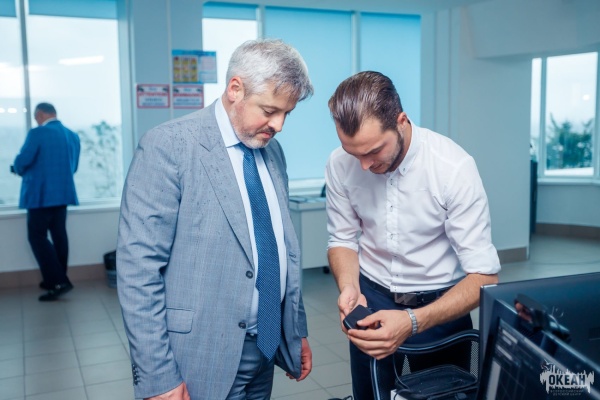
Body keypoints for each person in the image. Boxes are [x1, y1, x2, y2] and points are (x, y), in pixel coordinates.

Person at [117, 39, 314, 400]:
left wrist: (294, 330)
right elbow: (138, 270)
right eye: (270, 110)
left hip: (266, 348)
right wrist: (157, 376)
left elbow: (280, 248)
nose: (279, 125)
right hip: (200, 357)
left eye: (287, 113)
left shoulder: (273, 152)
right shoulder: (169, 146)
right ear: (235, 89)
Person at [325, 71, 501, 400]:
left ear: (401, 121)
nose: (363, 165)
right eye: (354, 153)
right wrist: (349, 287)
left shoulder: (453, 168)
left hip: (440, 309)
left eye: (373, 151)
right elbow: (342, 240)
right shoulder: (339, 164)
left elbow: (484, 276)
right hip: (371, 301)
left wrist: (412, 321)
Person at [12, 102, 80, 302]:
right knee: (59, 236)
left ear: (40, 114)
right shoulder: (72, 135)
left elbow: (22, 162)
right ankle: (56, 279)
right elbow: (73, 167)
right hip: (63, 194)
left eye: (36, 117)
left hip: (40, 196)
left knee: (37, 237)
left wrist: (16, 168)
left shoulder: (38, 133)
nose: (36, 121)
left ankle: (58, 281)